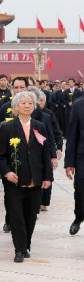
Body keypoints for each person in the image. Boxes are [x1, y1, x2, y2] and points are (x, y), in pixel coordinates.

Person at [0, 91, 53, 262]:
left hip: (35, 179)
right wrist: (6, 172)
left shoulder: (39, 126)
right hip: (14, 180)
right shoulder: (6, 127)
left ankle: (26, 244)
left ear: (35, 106)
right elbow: (0, 155)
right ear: (16, 107)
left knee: (31, 215)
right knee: (16, 216)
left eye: (30, 103)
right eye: (23, 103)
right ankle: (19, 249)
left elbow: (45, 153)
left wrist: (47, 177)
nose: (27, 105)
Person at [65, 96, 84, 235]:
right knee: (80, 190)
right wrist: (69, 163)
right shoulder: (78, 106)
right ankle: (79, 217)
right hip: (82, 156)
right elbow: (72, 135)